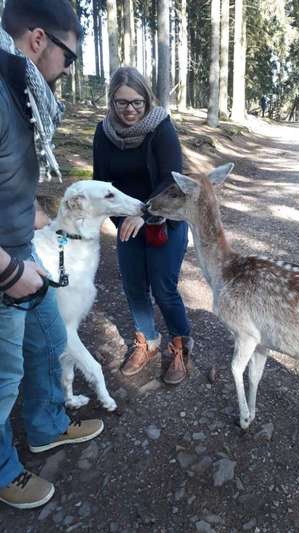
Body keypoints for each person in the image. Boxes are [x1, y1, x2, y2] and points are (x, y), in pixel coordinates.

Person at [0, 0, 103, 510]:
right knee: (4, 379)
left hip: (23, 255)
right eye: (71, 56)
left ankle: (45, 427)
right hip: (6, 267)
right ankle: (4, 472)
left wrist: (43, 221)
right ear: (39, 40)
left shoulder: (19, 93)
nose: (69, 68)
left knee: (47, 342)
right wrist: (9, 270)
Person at [93, 67, 193, 387]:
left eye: (137, 102)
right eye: (122, 104)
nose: (130, 110)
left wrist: (146, 213)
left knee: (163, 287)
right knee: (134, 285)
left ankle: (179, 346)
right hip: (128, 222)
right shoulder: (104, 132)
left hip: (166, 216)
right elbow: (101, 183)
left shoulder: (160, 126)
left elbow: (171, 180)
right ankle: (147, 341)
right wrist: (122, 218)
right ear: (112, 102)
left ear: (146, 99)